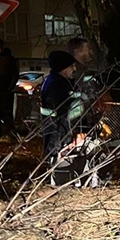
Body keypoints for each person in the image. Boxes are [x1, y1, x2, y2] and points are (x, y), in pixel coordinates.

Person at [41, 50, 80, 180]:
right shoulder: (57, 84)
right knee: (57, 153)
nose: (74, 69)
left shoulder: (59, 82)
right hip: (56, 128)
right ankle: (57, 178)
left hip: (58, 126)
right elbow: (61, 106)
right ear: (63, 68)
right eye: (71, 66)